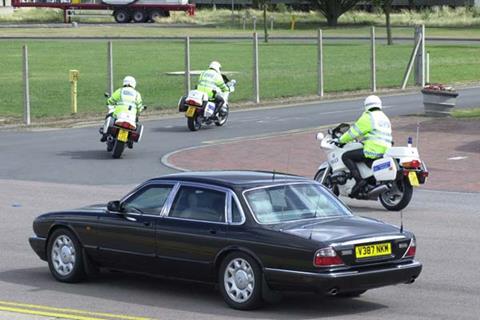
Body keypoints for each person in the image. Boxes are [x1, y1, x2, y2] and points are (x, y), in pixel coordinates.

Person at [338, 95, 392, 197]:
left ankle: (359, 181)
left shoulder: (369, 116)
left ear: (366, 105)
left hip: (373, 150)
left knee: (346, 156)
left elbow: (353, 132)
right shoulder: (384, 117)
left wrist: (340, 140)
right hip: (385, 150)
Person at [100, 76, 144, 142]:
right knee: (136, 121)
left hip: (118, 114)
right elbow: (140, 107)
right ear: (134, 84)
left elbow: (111, 100)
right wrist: (139, 110)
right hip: (131, 117)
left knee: (109, 116)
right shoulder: (137, 94)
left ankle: (104, 135)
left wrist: (108, 102)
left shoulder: (120, 91)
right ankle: (130, 141)